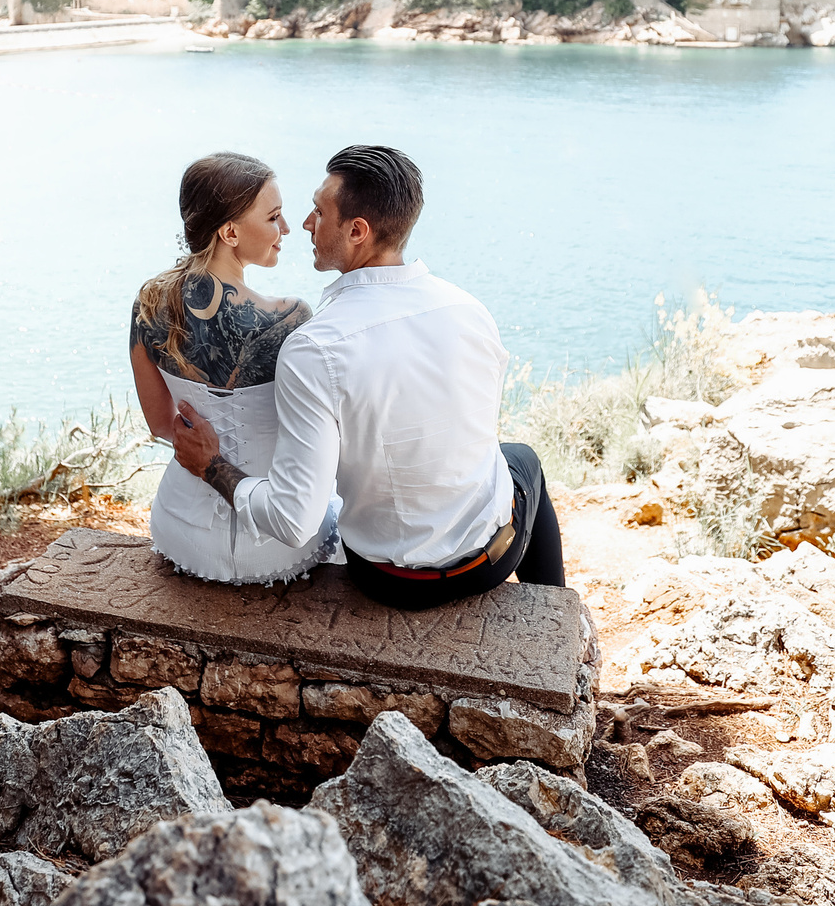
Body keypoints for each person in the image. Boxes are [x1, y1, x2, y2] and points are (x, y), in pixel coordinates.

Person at [169, 143, 564, 610]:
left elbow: (295, 521)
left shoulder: (315, 346)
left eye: (318, 211)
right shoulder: (469, 309)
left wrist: (211, 466)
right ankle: (555, 614)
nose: (306, 224)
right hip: (489, 564)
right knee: (522, 459)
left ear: (357, 230)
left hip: (390, 580)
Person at [129, 152, 343, 583]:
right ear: (229, 231)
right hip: (278, 545)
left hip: (181, 530)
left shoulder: (149, 303)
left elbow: (159, 423)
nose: (285, 229)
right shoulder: (291, 318)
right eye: (274, 217)